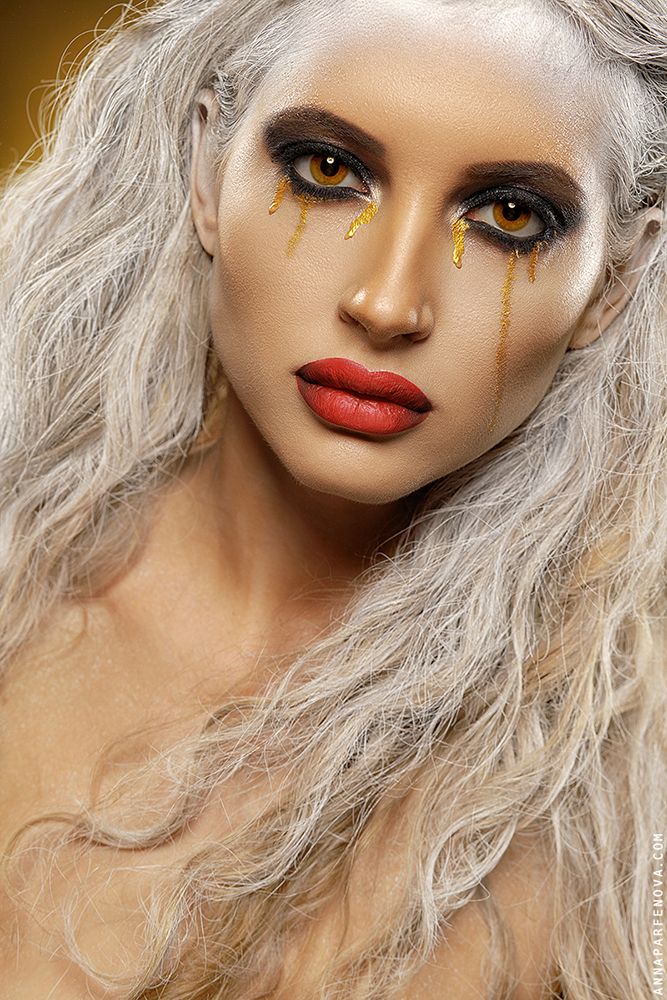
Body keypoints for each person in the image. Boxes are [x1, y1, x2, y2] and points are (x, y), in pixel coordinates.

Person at [0, 0, 665, 996]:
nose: (387, 305)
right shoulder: (19, 593)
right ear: (207, 167)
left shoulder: (605, 825)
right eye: (326, 169)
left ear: (613, 279)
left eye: (508, 217)